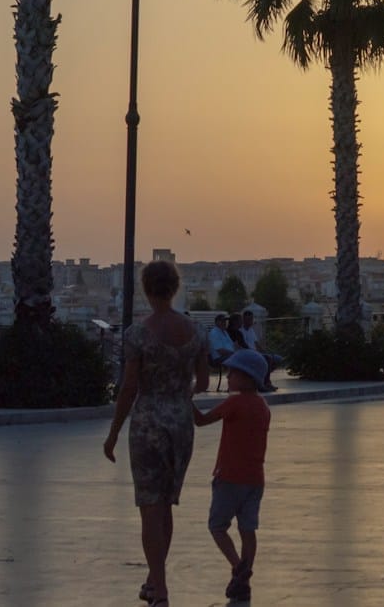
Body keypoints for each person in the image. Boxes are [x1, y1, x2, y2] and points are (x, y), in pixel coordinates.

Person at [104, 260, 210, 607]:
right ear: (175, 287)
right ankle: (154, 579)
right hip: (180, 423)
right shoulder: (195, 332)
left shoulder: (138, 334)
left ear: (147, 289)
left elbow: (129, 388)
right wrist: (180, 394)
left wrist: (114, 432)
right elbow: (205, 382)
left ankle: (160, 589)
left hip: (148, 423)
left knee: (149, 506)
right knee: (165, 506)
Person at [193, 348, 271, 603]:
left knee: (217, 526)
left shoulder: (235, 402)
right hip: (255, 479)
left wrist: (185, 400)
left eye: (232, 373)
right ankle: (244, 576)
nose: (227, 377)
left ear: (246, 378)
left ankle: (238, 567)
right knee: (248, 528)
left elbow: (202, 421)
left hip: (229, 477)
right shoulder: (262, 406)